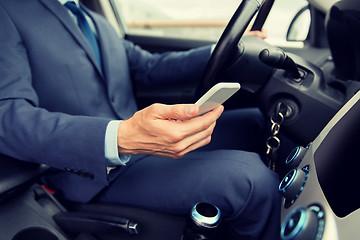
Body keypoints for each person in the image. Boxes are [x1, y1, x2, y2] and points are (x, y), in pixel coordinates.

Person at [0, 0, 281, 239]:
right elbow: (7, 118)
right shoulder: (8, 12)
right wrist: (119, 137)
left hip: (142, 145)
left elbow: (148, 68)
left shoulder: (96, 20)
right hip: (88, 171)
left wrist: (224, 48)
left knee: (258, 122)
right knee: (252, 180)